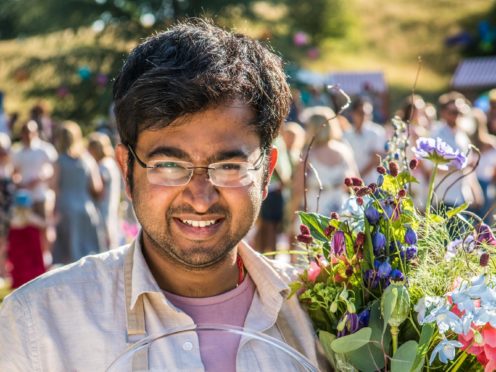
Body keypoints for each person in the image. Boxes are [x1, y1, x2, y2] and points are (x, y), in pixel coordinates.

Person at [0, 20, 326, 371]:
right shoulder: (41, 324)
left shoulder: (323, 313)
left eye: (229, 167)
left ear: (267, 171)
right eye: (169, 165)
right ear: (127, 168)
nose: (200, 199)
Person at [51, 121, 105, 264]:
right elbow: (97, 186)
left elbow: (53, 186)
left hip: (66, 209)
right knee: (88, 255)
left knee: (69, 258)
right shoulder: (87, 160)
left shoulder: (59, 161)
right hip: (86, 208)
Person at [87, 131, 122, 249]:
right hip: (112, 203)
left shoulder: (102, 166)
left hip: (103, 205)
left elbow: (99, 190)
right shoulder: (111, 163)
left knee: (105, 238)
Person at [6, 191, 46, 289]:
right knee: (34, 278)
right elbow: (43, 224)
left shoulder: (13, 220)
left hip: (18, 257)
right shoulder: (31, 218)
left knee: (20, 276)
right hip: (32, 257)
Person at [343, 97, 386, 184]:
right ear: (353, 113)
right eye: (361, 113)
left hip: (372, 184)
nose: (364, 117)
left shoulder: (377, 132)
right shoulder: (346, 134)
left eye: (367, 114)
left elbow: (376, 160)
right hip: (352, 184)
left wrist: (357, 178)